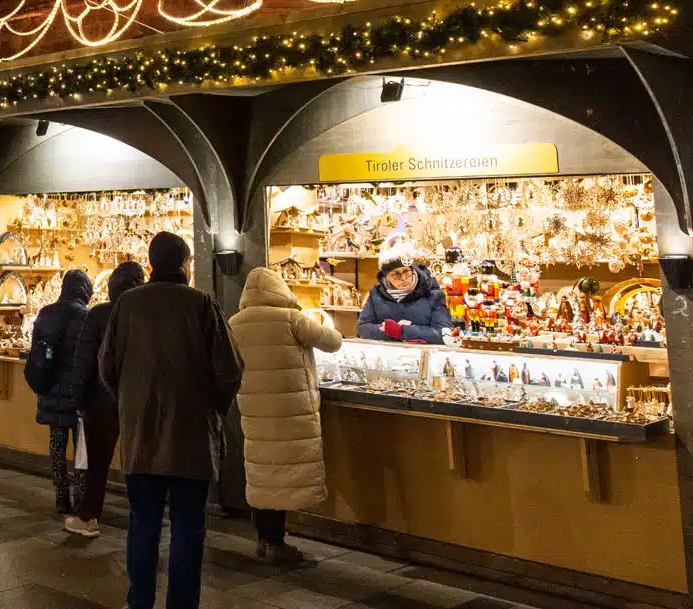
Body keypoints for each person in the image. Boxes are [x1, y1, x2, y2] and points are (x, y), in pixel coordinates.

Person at [100, 232, 243, 609]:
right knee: (188, 529)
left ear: (151, 264)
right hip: (191, 439)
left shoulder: (127, 305)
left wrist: (131, 404)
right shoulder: (201, 304)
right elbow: (229, 370)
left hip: (141, 438)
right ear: (185, 264)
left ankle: (139, 602)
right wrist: (210, 408)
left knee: (143, 526)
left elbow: (106, 366)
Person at [227, 266, 344, 564]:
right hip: (290, 413)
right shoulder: (291, 319)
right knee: (284, 473)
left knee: (264, 473)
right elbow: (333, 342)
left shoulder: (235, 322)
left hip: (254, 411)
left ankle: (266, 539)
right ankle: (277, 544)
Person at [64, 261, 144, 538]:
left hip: (101, 401)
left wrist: (79, 398)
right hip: (138, 399)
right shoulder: (144, 314)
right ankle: (143, 518)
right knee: (139, 460)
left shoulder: (98, 315)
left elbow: (84, 360)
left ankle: (87, 517)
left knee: (96, 463)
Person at [28, 268, 93, 515]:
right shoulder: (86, 317)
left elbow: (37, 350)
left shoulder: (45, 314)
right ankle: (80, 498)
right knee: (81, 450)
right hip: (76, 394)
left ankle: (60, 497)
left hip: (50, 388)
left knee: (56, 445)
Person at [357, 241, 452, 345]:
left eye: (406, 271)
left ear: (413, 269)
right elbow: (362, 329)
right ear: (386, 277)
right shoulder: (376, 295)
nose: (403, 278)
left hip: (423, 356)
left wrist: (402, 331)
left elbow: (444, 334)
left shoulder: (432, 294)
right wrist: (390, 331)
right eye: (395, 274)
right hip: (387, 356)